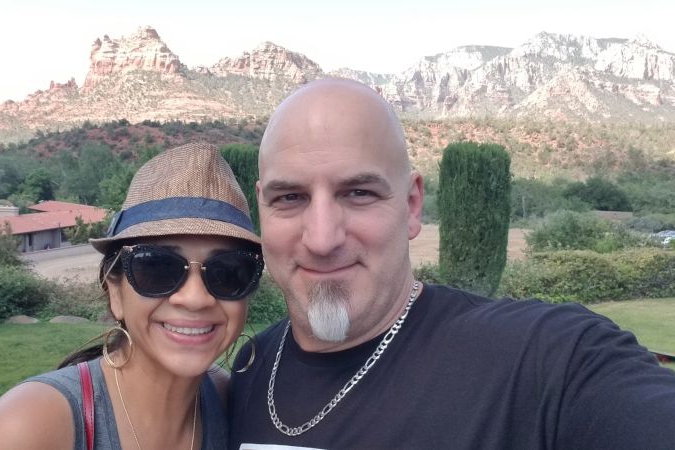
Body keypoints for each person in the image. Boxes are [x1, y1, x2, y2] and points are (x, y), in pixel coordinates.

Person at [228, 78, 675, 449]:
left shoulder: (542, 360)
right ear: (261, 208)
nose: (322, 239)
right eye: (290, 197)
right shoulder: (250, 369)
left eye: (358, 193)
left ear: (412, 205)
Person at [0, 142, 264, 450]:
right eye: (157, 267)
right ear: (115, 291)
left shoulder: (231, 404)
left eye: (229, 272)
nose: (196, 298)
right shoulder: (30, 426)